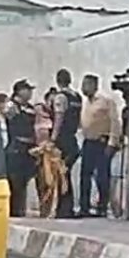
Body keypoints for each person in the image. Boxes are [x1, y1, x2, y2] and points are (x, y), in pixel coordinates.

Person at [78, 74, 122, 219]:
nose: (83, 88)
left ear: (94, 85)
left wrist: (112, 142)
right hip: (88, 142)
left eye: (86, 85)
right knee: (85, 175)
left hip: (102, 142)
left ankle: (102, 207)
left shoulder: (106, 101)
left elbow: (115, 122)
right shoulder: (86, 102)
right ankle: (84, 207)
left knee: (102, 176)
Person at [51, 69, 84, 218]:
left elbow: (59, 118)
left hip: (62, 139)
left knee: (61, 173)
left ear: (58, 80)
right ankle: (66, 207)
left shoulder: (60, 97)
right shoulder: (77, 96)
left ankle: (63, 208)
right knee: (66, 173)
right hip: (72, 139)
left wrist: (53, 138)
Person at [3, 79, 37, 218]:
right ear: (19, 91)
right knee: (14, 181)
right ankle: (13, 210)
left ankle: (20, 209)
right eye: (27, 90)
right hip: (15, 147)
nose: (30, 93)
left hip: (28, 149)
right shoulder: (11, 106)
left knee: (23, 180)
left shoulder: (29, 107)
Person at [32, 88, 66, 219]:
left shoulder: (54, 116)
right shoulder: (38, 111)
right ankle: (43, 209)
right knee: (41, 182)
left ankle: (48, 210)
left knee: (50, 182)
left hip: (50, 153)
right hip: (37, 151)